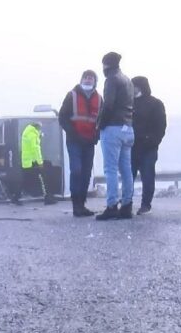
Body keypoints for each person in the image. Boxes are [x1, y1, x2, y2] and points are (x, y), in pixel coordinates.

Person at [95, 52, 135, 221]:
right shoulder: (128, 80)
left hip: (113, 127)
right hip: (128, 128)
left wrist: (100, 124)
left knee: (110, 169)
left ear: (106, 65)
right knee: (126, 169)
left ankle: (112, 206)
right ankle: (127, 206)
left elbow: (108, 105)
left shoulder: (111, 79)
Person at [58, 70, 102, 217]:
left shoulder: (99, 99)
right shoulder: (72, 95)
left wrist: (97, 136)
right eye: (86, 77)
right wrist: (73, 134)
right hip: (74, 141)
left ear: (95, 81)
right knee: (76, 170)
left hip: (89, 142)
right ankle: (76, 205)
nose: (88, 80)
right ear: (81, 79)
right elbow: (63, 117)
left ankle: (82, 205)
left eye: (91, 78)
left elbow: (101, 121)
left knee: (86, 174)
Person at [131, 76, 166, 215]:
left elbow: (161, 126)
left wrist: (153, 141)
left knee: (147, 176)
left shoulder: (155, 103)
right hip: (131, 147)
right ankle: (127, 202)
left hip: (148, 148)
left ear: (140, 86)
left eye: (133, 85)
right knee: (129, 176)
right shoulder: (129, 103)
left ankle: (146, 204)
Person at [10, 122, 57, 205]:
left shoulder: (27, 133)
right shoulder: (32, 135)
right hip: (33, 161)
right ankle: (48, 198)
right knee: (44, 176)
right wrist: (40, 162)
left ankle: (15, 198)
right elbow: (36, 149)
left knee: (24, 180)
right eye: (40, 128)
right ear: (37, 127)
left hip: (27, 162)